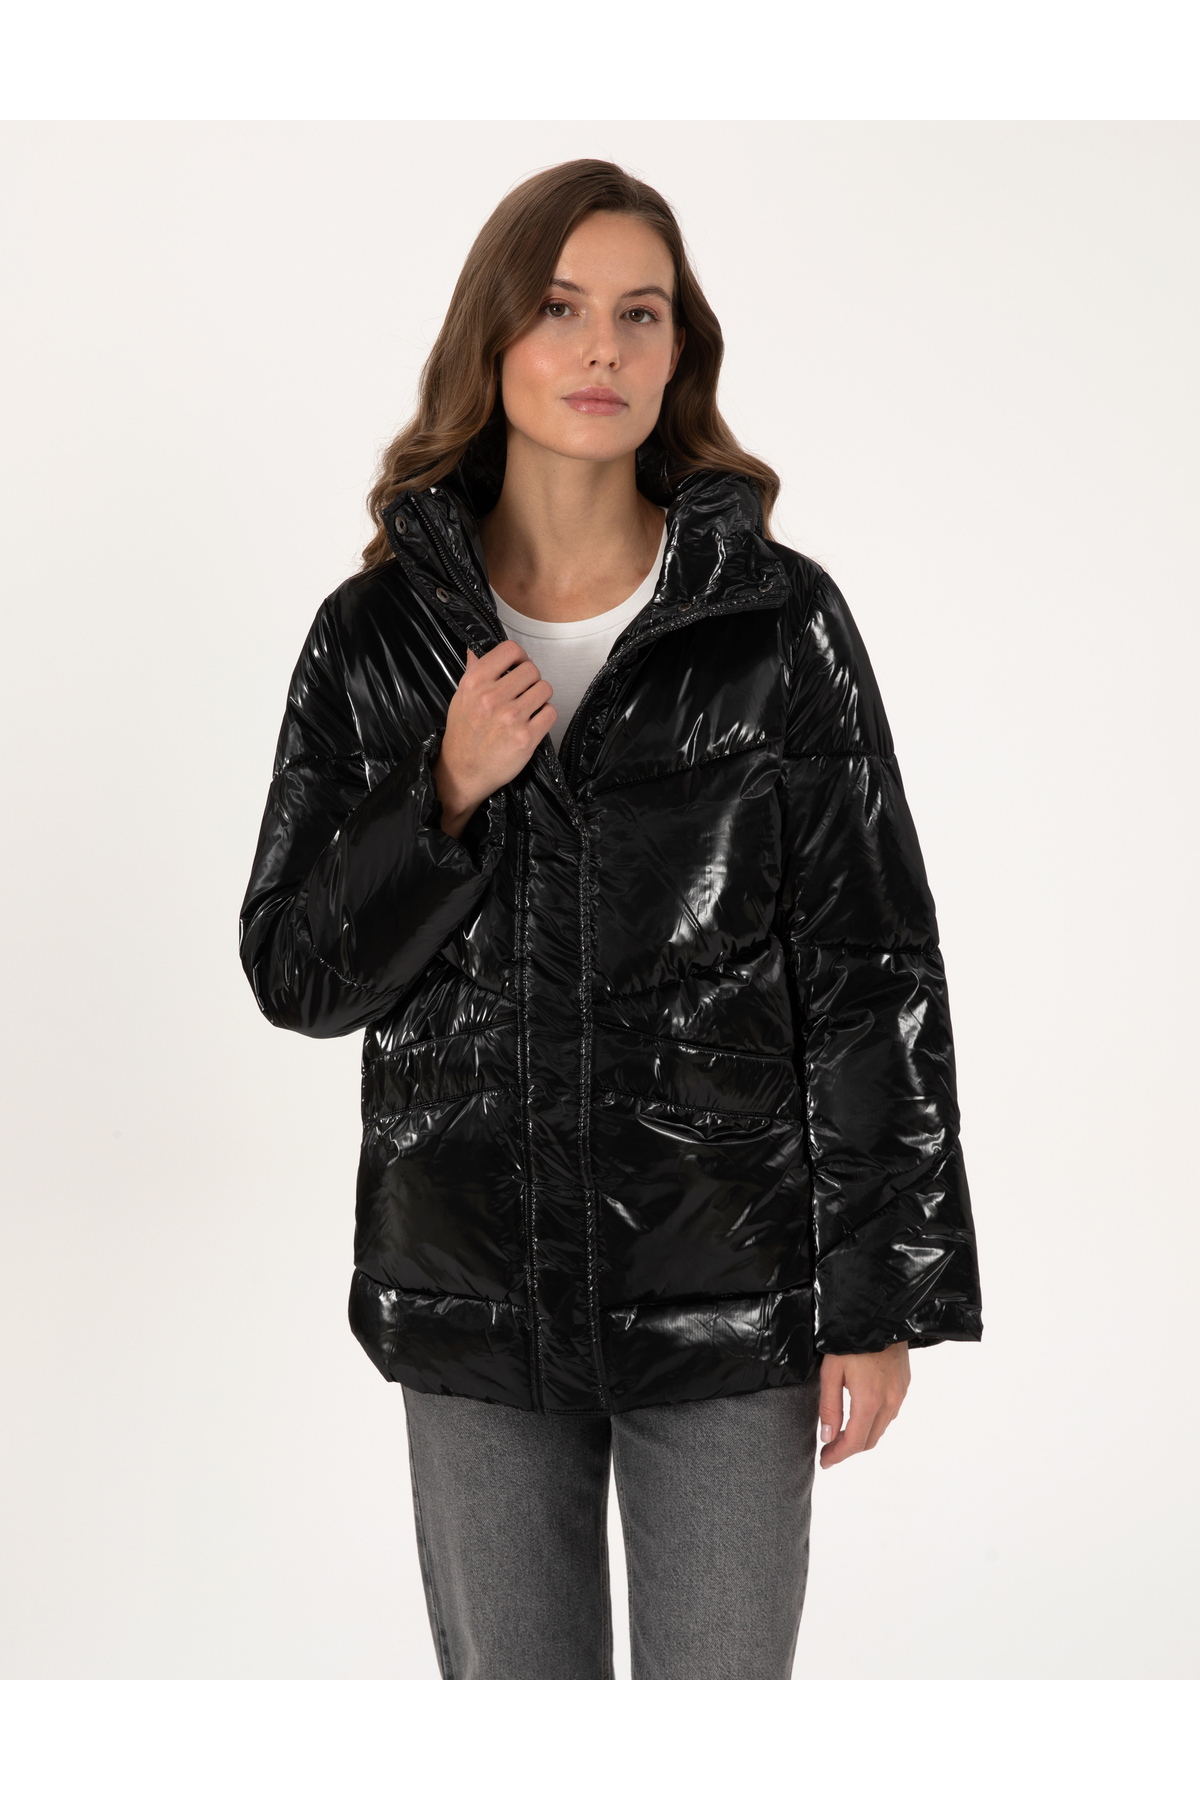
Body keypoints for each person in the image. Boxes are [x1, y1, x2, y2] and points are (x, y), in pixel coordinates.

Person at [239, 158, 983, 1681]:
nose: (601, 348)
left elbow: (871, 971)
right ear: (493, 340)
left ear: (678, 348)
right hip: (473, 1298)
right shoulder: (376, 639)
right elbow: (298, 973)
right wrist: (442, 795)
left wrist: (879, 1298)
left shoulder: (777, 624)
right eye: (562, 308)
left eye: (640, 313)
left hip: (726, 1298)